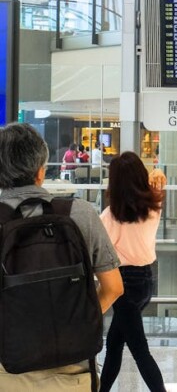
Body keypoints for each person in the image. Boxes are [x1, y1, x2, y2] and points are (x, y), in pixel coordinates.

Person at [0, 123, 123, 391]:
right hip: (70, 369)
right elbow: (114, 287)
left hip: (5, 368)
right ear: (40, 171)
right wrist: (72, 324)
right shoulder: (80, 213)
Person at [99, 152, 168, 392]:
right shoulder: (154, 207)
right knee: (114, 344)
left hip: (122, 285)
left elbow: (99, 252)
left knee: (140, 351)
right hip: (146, 281)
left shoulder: (109, 217)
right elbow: (157, 179)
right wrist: (156, 174)